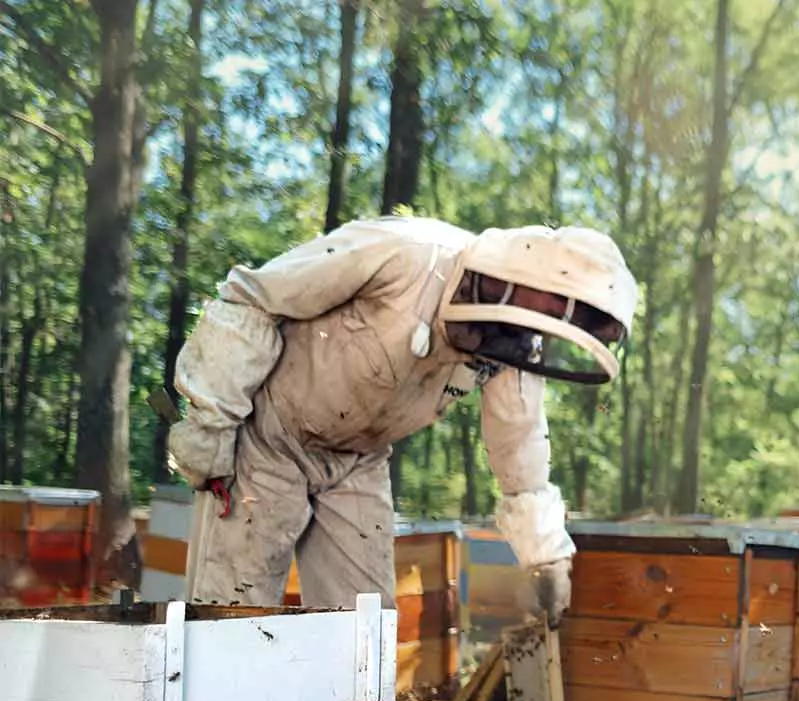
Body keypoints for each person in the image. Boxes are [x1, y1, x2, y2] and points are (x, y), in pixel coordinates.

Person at [167, 216, 638, 625]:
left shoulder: (511, 342)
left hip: (359, 462)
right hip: (267, 441)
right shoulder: (407, 253)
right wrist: (210, 423)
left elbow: (520, 445)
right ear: (530, 286)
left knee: (363, 631)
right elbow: (253, 298)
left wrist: (545, 556)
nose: (537, 337)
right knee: (234, 619)